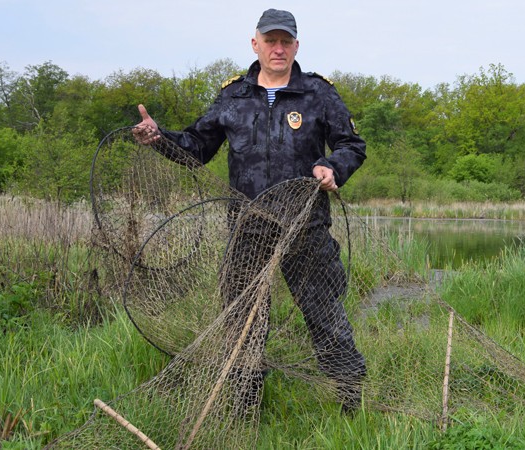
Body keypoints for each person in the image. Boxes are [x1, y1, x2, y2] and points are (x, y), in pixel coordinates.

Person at [132, 8, 367, 412]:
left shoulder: (319, 93)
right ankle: (245, 405)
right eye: (270, 40)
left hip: (305, 227)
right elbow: (197, 147)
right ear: (254, 43)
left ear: (297, 45)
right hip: (247, 228)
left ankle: (350, 399)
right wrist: (159, 138)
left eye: (286, 41)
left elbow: (352, 145)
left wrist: (333, 168)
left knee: (325, 312)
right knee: (244, 319)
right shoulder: (233, 95)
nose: (278, 49)